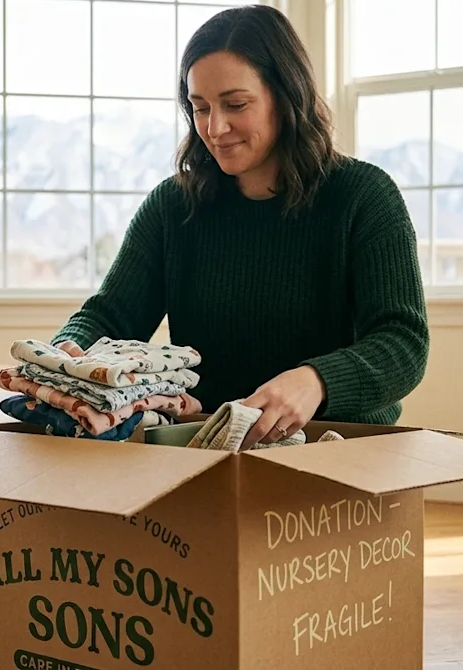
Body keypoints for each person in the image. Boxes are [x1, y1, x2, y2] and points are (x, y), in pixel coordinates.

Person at [50, 5, 429, 448]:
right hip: (207, 445)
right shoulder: (172, 207)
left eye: (236, 104)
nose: (215, 127)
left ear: (286, 98)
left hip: (341, 447)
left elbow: (403, 342)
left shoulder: (363, 195)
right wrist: (66, 355)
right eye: (199, 107)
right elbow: (110, 316)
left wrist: (315, 382)